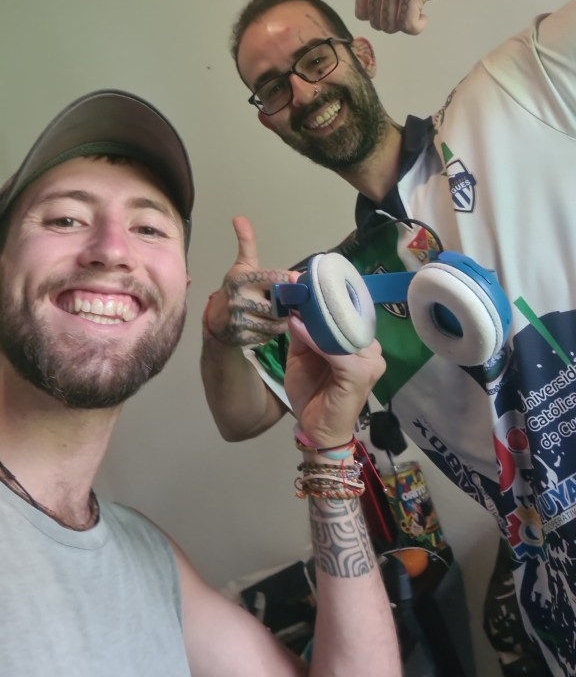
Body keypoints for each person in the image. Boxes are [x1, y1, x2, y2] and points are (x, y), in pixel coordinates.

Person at [200, 0, 576, 677]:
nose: (303, 92)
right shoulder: (338, 292)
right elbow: (240, 417)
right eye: (272, 89)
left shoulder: (507, 96)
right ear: (270, 122)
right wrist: (219, 335)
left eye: (315, 59)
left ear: (362, 54)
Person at [0, 88, 402, 677]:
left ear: (181, 290)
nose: (112, 250)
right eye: (65, 219)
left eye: (148, 228)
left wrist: (329, 449)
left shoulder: (148, 558)